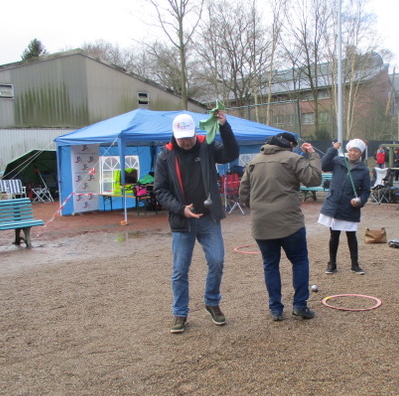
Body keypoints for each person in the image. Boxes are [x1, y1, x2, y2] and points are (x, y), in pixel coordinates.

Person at [154, 111, 239, 334]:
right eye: (181, 137)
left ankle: (212, 302)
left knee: (217, 260)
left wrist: (224, 126)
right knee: (180, 270)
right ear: (174, 135)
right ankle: (180, 313)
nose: (186, 141)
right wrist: (180, 209)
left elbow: (231, 153)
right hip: (182, 221)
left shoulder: (207, 146)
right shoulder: (165, 155)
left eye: (189, 136)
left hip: (208, 218)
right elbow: (160, 190)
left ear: (195, 132)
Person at [239, 133, 321, 321]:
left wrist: (258, 209)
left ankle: (275, 309)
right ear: (288, 146)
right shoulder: (293, 159)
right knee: (299, 261)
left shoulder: (253, 162)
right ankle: (300, 305)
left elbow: (244, 193)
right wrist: (313, 155)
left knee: (270, 265)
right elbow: (314, 179)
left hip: (261, 224)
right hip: (289, 222)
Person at [319, 139, 371, 275]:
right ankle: (332, 263)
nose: (353, 153)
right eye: (351, 150)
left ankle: (355, 264)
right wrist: (332, 149)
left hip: (350, 207)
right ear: (348, 150)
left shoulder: (364, 170)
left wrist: (360, 200)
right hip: (335, 204)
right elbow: (323, 165)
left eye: (356, 151)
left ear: (361, 153)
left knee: (351, 236)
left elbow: (366, 191)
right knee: (334, 235)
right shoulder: (338, 161)